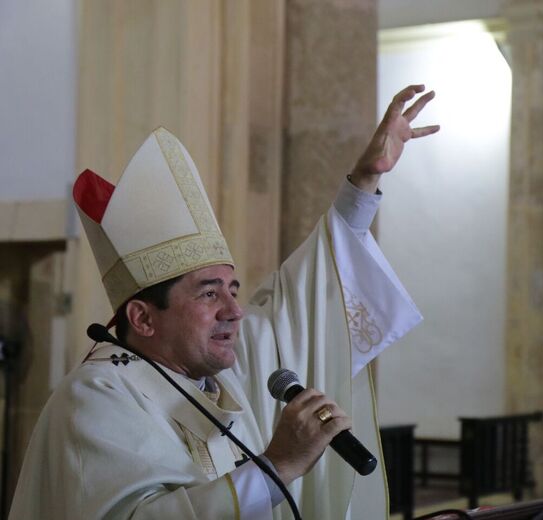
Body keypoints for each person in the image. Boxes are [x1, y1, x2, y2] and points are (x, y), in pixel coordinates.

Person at [9, 85, 439, 519]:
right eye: (208, 292)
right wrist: (278, 466)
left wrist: (364, 184)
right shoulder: (97, 397)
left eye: (232, 290)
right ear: (141, 317)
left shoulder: (222, 372)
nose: (234, 311)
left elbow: (308, 293)